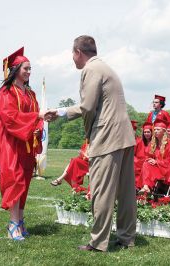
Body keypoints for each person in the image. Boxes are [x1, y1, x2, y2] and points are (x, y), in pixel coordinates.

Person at [51, 35, 137, 252]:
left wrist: (60, 112)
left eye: (72, 54)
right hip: (125, 135)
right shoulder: (107, 68)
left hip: (107, 136)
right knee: (126, 192)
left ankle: (98, 242)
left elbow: (87, 106)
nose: (72, 59)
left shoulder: (91, 70)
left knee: (101, 190)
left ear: (78, 52)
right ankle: (127, 237)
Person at [0, 46, 46, 241]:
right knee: (15, 179)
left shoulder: (30, 94)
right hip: (11, 142)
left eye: (30, 68)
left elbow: (36, 117)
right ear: (15, 70)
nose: (29, 72)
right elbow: (9, 117)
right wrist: (35, 118)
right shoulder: (6, 92)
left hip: (27, 142)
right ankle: (13, 224)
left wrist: (38, 125)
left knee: (24, 180)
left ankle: (20, 221)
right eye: (26, 68)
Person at [139, 118, 170, 194]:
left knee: (147, 165)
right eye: (154, 129)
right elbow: (147, 155)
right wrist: (149, 160)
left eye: (158, 129)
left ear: (164, 131)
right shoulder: (152, 144)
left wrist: (157, 161)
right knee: (146, 163)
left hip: (166, 170)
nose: (155, 131)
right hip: (156, 168)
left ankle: (146, 187)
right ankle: (146, 187)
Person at [134, 122, 153, 190]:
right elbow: (133, 154)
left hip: (148, 162)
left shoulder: (154, 142)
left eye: (148, 132)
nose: (146, 134)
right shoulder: (139, 141)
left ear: (152, 132)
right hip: (138, 162)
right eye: (145, 132)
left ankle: (144, 188)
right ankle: (136, 187)